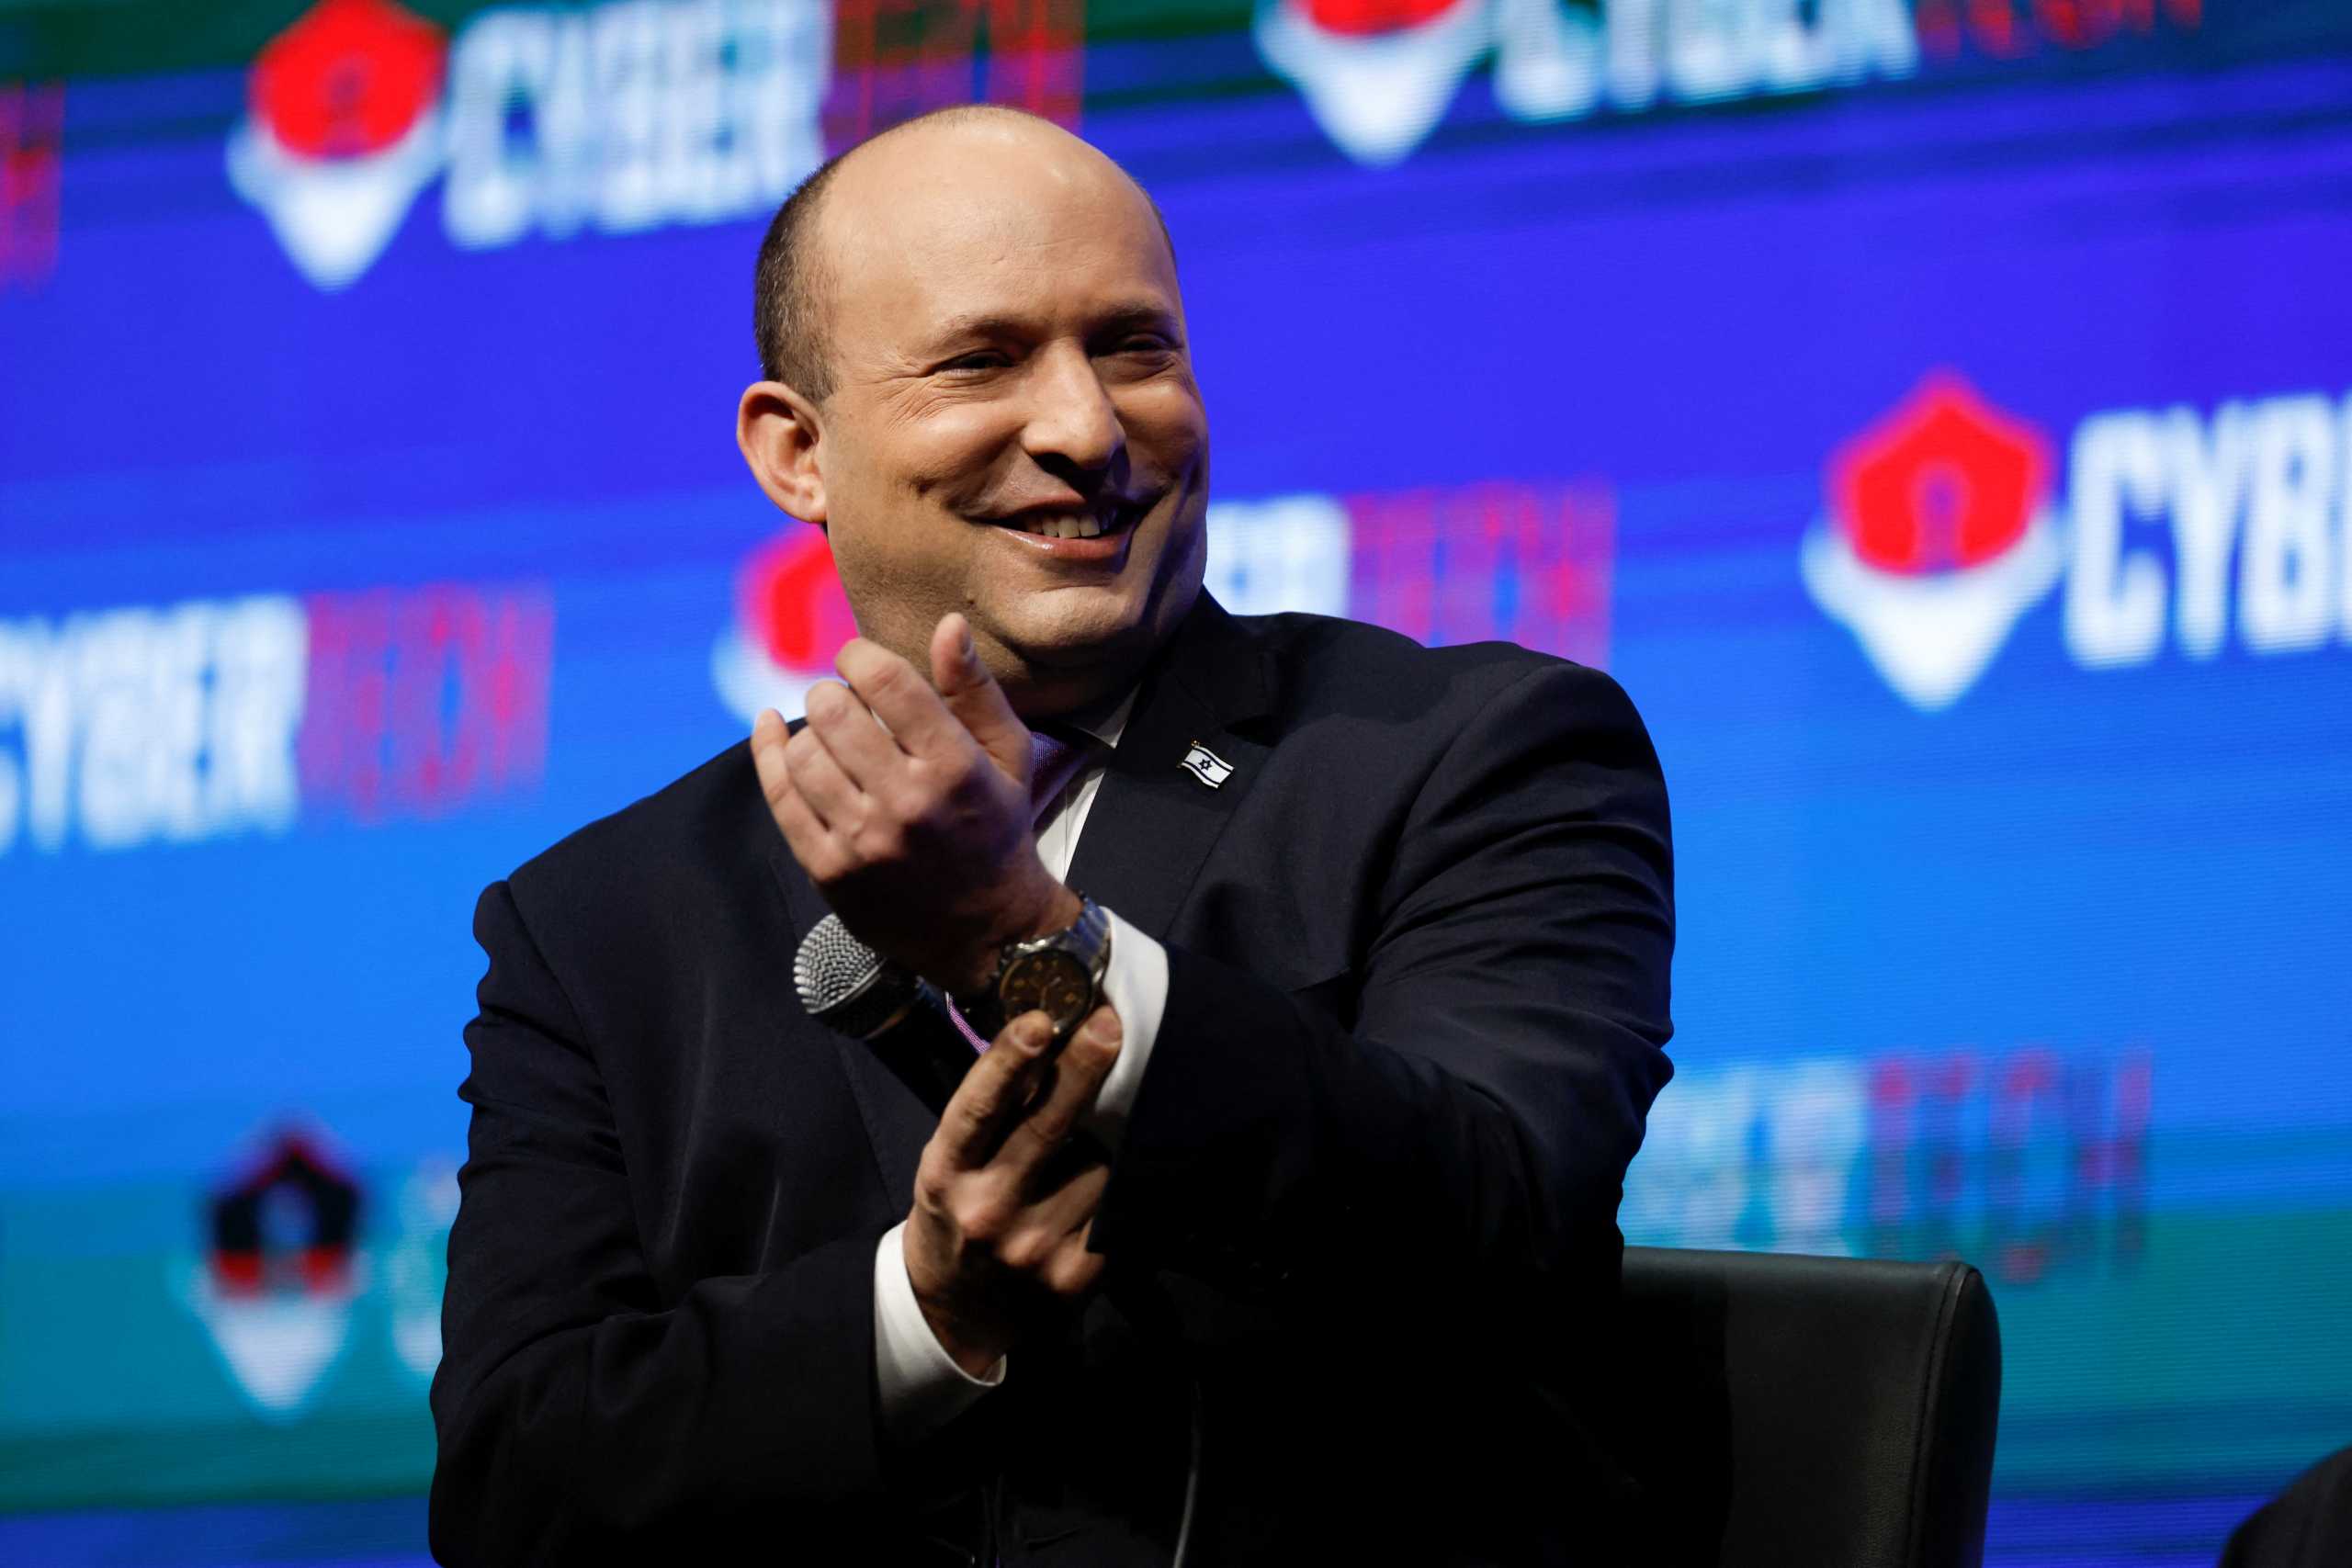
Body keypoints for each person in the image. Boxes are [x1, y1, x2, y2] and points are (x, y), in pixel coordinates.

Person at [428, 104, 1675, 1566]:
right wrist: (924, 1312)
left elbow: (1505, 1227)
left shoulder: (1469, 755)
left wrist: (1031, 942)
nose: (1089, 429)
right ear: (797, 452)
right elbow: (521, 1488)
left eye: (1135, 348)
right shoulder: (599, 924)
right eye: (985, 360)